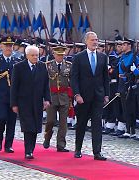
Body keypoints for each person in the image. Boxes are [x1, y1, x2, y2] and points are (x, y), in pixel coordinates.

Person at [71, 31, 109, 161]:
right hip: (83, 96)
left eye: (96, 39)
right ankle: (78, 149)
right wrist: (76, 94)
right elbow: (74, 78)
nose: (95, 42)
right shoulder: (79, 57)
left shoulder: (103, 57)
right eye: (92, 40)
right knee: (81, 124)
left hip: (98, 96)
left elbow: (105, 77)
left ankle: (97, 152)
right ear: (86, 41)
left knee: (97, 124)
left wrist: (106, 94)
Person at [10, 45, 51, 159]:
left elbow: (45, 85)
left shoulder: (42, 66)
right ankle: (28, 151)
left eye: (37, 55)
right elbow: (14, 87)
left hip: (37, 102)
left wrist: (47, 99)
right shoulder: (19, 67)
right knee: (28, 127)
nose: (35, 57)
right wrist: (14, 103)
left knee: (35, 128)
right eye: (32, 55)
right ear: (27, 55)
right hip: (24, 102)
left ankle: (31, 149)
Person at [43, 46, 72, 152]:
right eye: (58, 55)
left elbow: (72, 81)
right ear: (54, 55)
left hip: (64, 97)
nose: (60, 57)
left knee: (63, 123)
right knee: (50, 121)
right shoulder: (47, 66)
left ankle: (61, 144)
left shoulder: (69, 66)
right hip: (51, 96)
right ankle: (47, 138)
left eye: (62, 55)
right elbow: (44, 82)